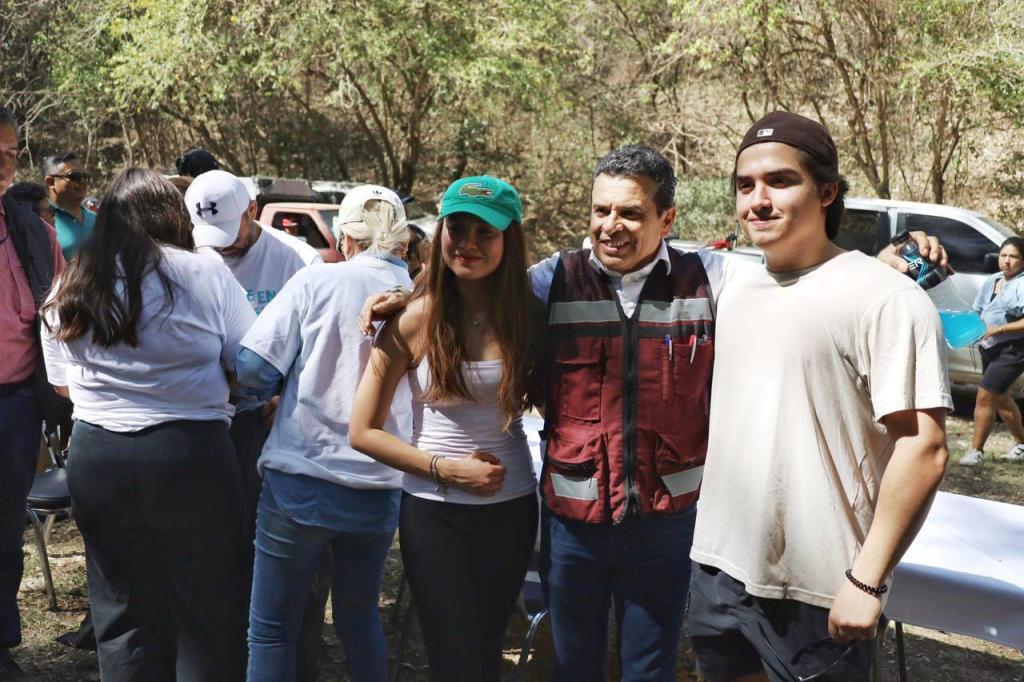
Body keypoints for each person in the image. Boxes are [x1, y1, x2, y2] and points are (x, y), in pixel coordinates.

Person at [359, 146, 949, 681]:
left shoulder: (715, 279)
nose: (610, 226)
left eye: (631, 213)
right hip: (573, 521)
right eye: (601, 211)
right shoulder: (552, 282)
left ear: (667, 220)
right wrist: (407, 294)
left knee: (649, 669)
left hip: (668, 523)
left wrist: (886, 257)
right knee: (575, 667)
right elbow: (477, 288)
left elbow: (800, 271)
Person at [686, 111, 951, 682]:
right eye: (745, 185)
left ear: (826, 191)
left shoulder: (887, 299)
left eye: (780, 181)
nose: (758, 200)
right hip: (716, 570)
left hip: (821, 586)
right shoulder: (731, 284)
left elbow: (924, 446)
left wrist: (867, 579)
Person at [40, 168, 256, 682]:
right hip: (190, 455)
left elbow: (62, 384)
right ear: (171, 215)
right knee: (203, 608)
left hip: (98, 456)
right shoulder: (205, 272)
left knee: (120, 610)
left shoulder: (73, 278)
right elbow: (247, 365)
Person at [350, 176, 540, 682]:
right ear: (440, 234)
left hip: (513, 509)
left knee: (486, 646)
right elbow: (363, 430)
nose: (469, 243)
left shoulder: (530, 313)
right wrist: (447, 470)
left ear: (510, 239)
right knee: (453, 658)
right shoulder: (412, 319)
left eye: (486, 231)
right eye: (457, 228)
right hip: (435, 515)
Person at [234, 185, 412, 682]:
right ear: (402, 242)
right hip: (380, 486)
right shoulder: (423, 299)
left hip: (301, 478)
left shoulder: (318, 282)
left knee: (271, 628)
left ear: (344, 237)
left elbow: (251, 368)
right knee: (359, 620)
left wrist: (277, 389)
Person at [0, 107, 65, 679]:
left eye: (11, 154)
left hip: (16, 403)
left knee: (4, 530)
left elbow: (59, 323)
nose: (4, 166)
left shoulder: (36, 236)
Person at [960, 236, 1024, 465]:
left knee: (985, 395)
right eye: (1004, 255)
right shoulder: (993, 280)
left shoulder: (1022, 284)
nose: (1007, 261)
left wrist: (1001, 329)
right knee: (1001, 397)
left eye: (1014, 257)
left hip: (1013, 349)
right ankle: (1022, 444)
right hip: (990, 347)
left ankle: (976, 451)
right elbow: (978, 309)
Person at [41, 151, 95, 260]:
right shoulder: (42, 220)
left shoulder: (96, 219)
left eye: (85, 176)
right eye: (74, 176)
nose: (82, 181)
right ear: (51, 182)